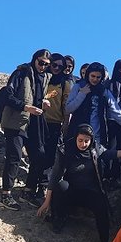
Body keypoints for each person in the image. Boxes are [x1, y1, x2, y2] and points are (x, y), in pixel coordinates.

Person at [36, 124, 121, 242]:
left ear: (91, 140)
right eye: (80, 140)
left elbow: (110, 153)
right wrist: (46, 202)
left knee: (101, 207)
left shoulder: (95, 149)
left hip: (90, 192)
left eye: (86, 141)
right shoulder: (66, 150)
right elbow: (55, 176)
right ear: (75, 138)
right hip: (72, 190)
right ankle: (59, 217)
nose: (83, 144)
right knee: (60, 186)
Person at [0, 49, 52, 210]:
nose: (43, 66)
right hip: (16, 122)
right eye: (41, 62)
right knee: (14, 156)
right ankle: (6, 195)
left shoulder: (45, 78)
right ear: (34, 59)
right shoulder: (21, 73)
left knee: (39, 156)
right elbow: (8, 96)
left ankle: (28, 192)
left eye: (46, 65)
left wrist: (42, 104)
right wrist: (26, 107)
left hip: (34, 123)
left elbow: (36, 98)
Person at [65, 62, 121, 147]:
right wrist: (81, 94)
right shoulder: (78, 86)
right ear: (88, 75)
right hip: (77, 136)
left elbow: (117, 113)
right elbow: (68, 109)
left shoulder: (104, 92)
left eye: (98, 77)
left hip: (96, 138)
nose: (95, 79)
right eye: (93, 76)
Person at [42, 53, 73, 187]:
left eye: (60, 67)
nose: (56, 68)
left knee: (50, 154)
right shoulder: (42, 78)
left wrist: (66, 124)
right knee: (37, 152)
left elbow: (66, 105)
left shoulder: (65, 83)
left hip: (54, 123)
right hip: (37, 120)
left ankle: (44, 183)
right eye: (54, 65)